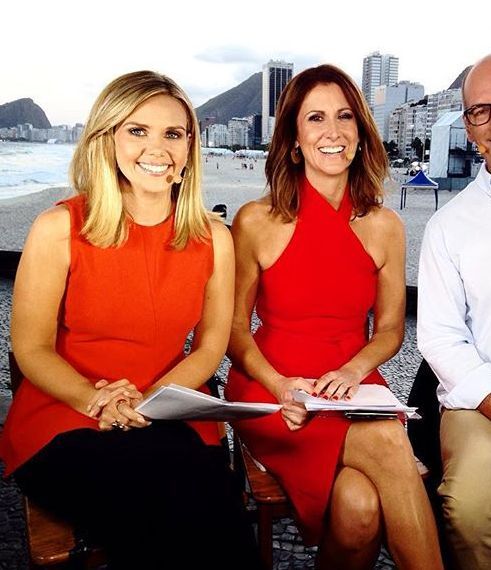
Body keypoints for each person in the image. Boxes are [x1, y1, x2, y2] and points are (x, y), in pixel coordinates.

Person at [0, 71, 259, 570]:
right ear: (108, 138)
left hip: (167, 408)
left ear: (189, 147)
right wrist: (96, 399)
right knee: (156, 502)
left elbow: (210, 346)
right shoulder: (58, 228)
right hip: (66, 414)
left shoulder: (214, 238)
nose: (157, 148)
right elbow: (31, 348)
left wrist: (150, 400)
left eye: (173, 133)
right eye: (137, 130)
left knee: (210, 507)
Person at [226, 64, 443, 570]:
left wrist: (352, 370)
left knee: (360, 509)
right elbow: (233, 332)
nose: (333, 131)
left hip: (352, 383)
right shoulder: (256, 221)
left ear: (361, 134)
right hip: (275, 389)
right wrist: (280, 386)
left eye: (345, 117)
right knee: (388, 438)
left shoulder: (386, 226)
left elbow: (389, 330)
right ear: (293, 139)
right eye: (316, 118)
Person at [418, 54, 491, 570]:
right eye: (482, 110)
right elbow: (441, 336)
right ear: (468, 127)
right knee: (470, 505)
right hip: (479, 399)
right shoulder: (449, 225)